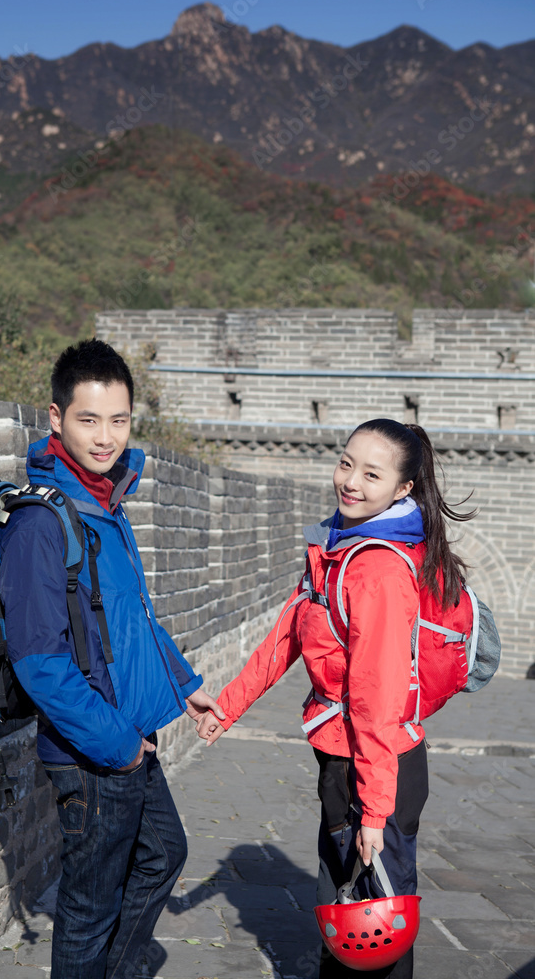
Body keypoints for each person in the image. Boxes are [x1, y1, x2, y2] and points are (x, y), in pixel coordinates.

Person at [196, 418, 475, 979]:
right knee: (346, 917)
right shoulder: (337, 546)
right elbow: (290, 632)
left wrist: (375, 810)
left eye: (372, 474)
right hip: (347, 764)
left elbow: (376, 701)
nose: (351, 481)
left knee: (373, 932)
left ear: (402, 490)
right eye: (347, 464)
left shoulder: (374, 570)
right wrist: (228, 705)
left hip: (376, 768)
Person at [0, 338, 225, 979]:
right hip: (92, 748)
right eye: (88, 419)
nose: (106, 437)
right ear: (55, 417)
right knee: (89, 906)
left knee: (162, 855)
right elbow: (38, 661)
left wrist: (186, 686)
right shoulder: (43, 523)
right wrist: (119, 745)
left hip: (124, 736)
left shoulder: (106, 504)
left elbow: (132, 621)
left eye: (119, 420)